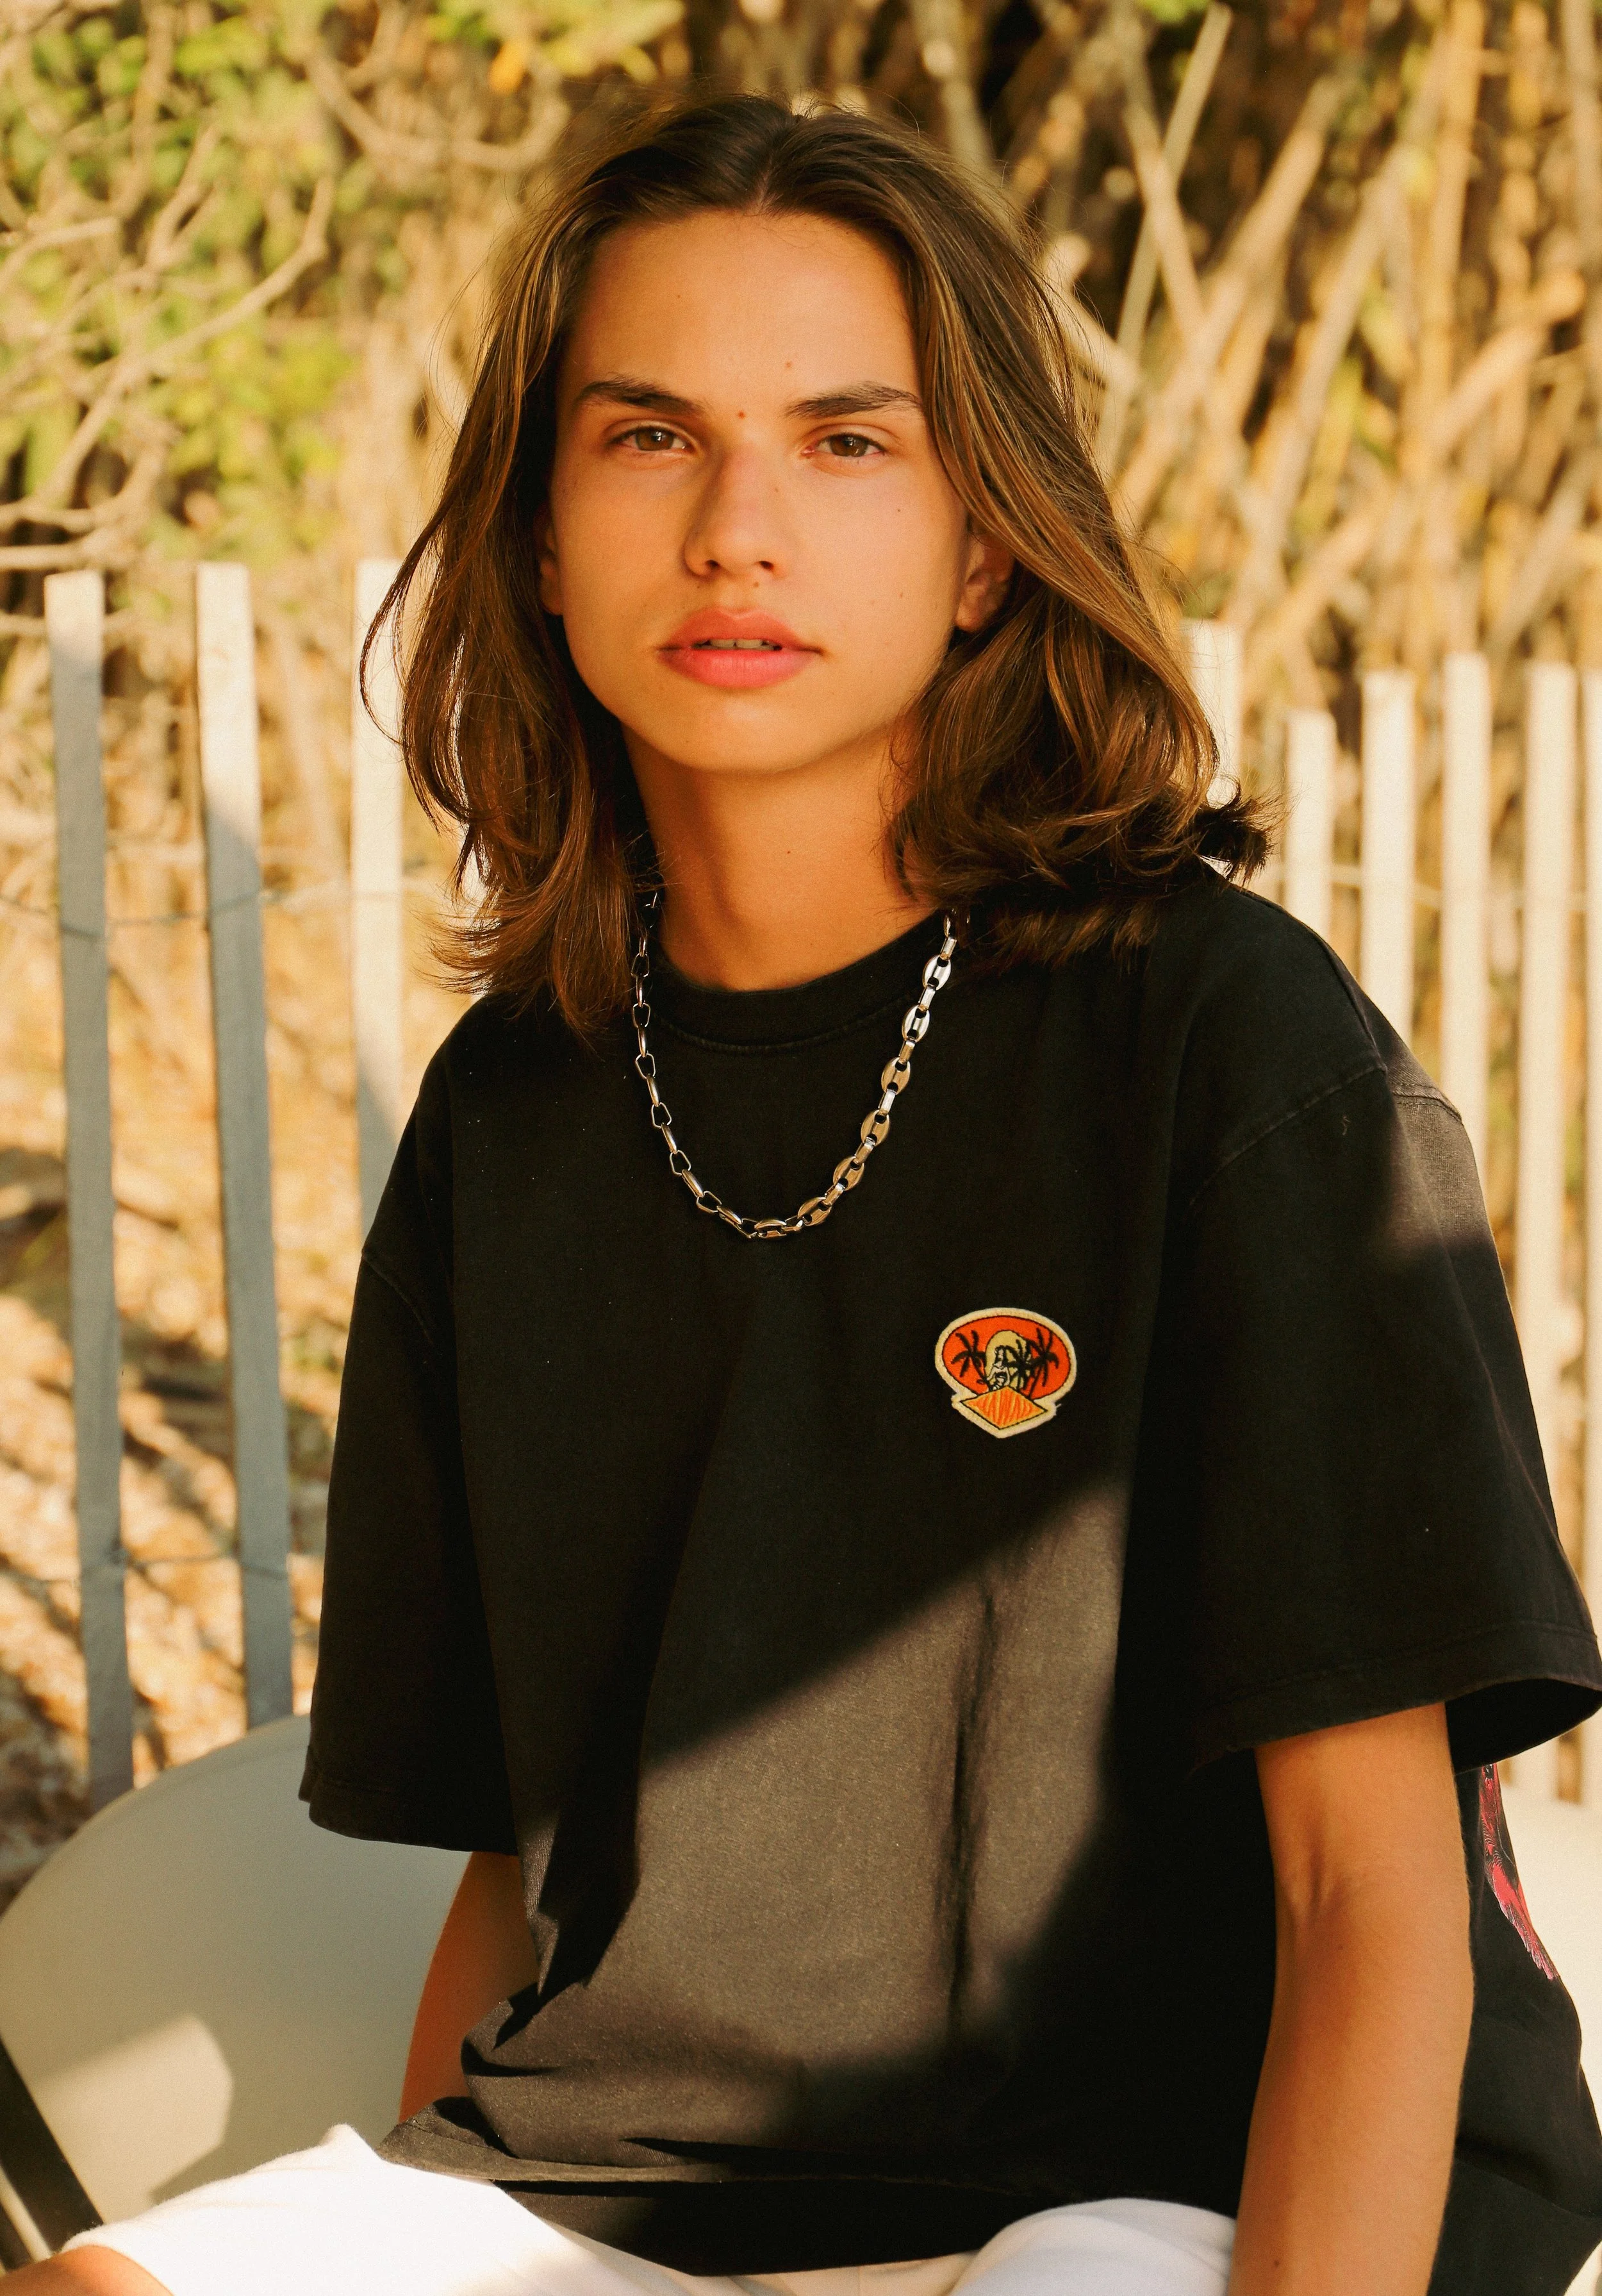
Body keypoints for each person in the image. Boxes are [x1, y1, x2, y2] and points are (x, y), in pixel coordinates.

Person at [23, 90, 1602, 2296]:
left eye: (845, 441)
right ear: (543, 537)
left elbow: (1372, 1892)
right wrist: (414, 2184)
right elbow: (520, 1887)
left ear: (980, 545)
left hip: (1178, 2170)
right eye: (648, 435)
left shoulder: (1222, 1046)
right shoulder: (509, 1121)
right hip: (652, 2184)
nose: (736, 528)